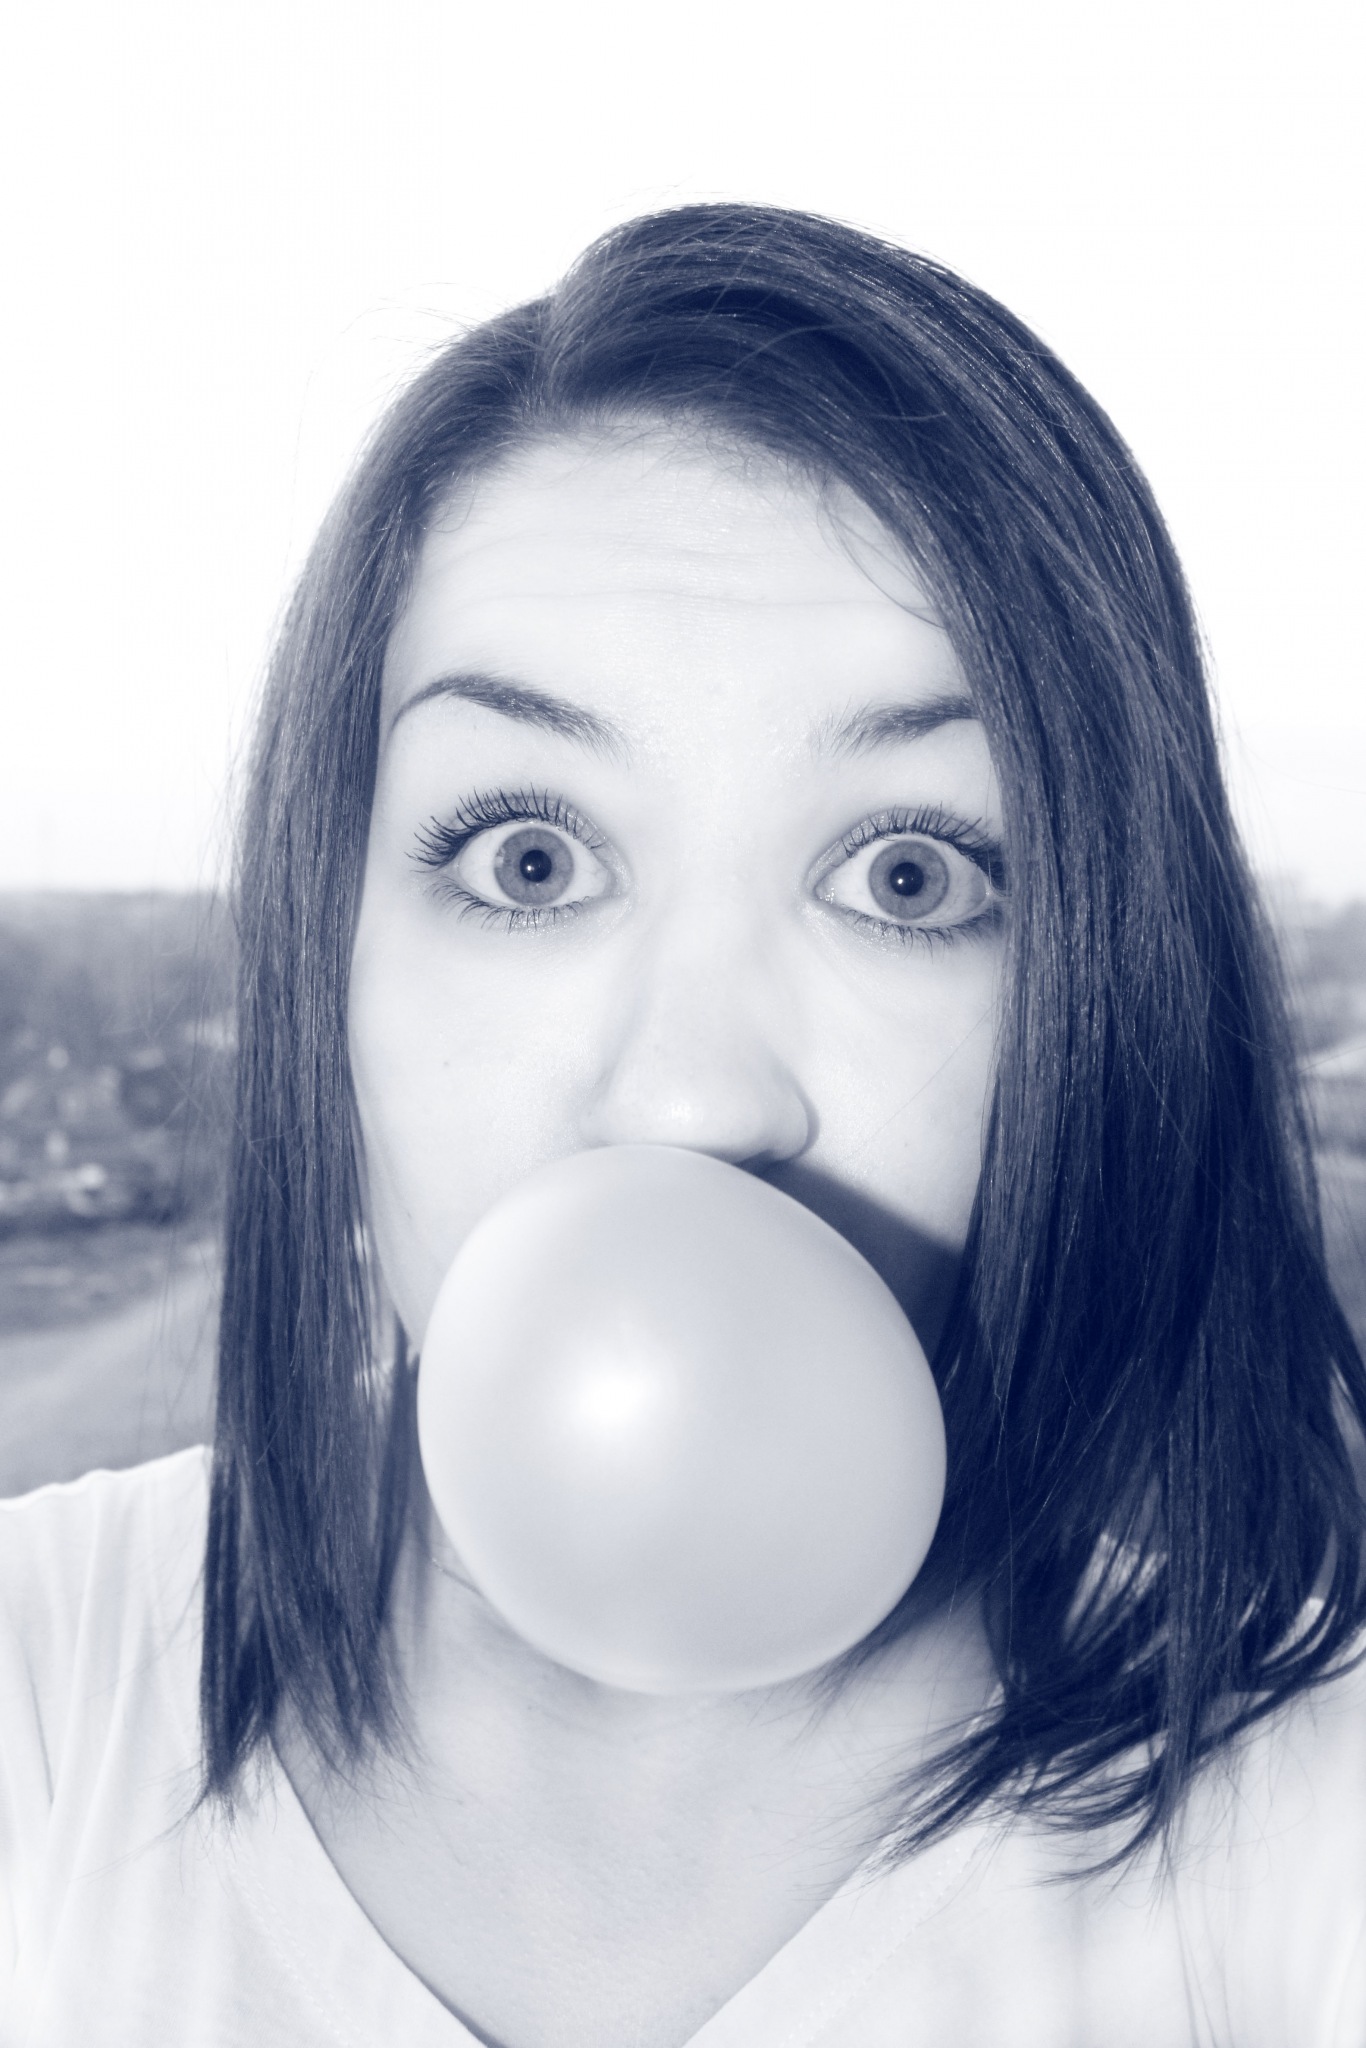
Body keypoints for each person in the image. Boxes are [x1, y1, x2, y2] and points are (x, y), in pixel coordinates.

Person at [2, 203, 1364, 2048]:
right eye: (529, 859)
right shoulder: (38, 1690)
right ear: (326, 970)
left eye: (904, 875)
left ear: (1089, 1007)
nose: (691, 1095)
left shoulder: (1312, 1817)